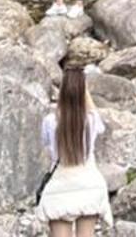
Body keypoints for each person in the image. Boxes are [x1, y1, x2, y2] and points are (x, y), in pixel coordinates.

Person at [38, 63, 110, 237]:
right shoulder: (91, 121)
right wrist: (84, 93)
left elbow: (46, 145)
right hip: (89, 185)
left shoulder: (50, 121)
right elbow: (101, 127)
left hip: (60, 187)